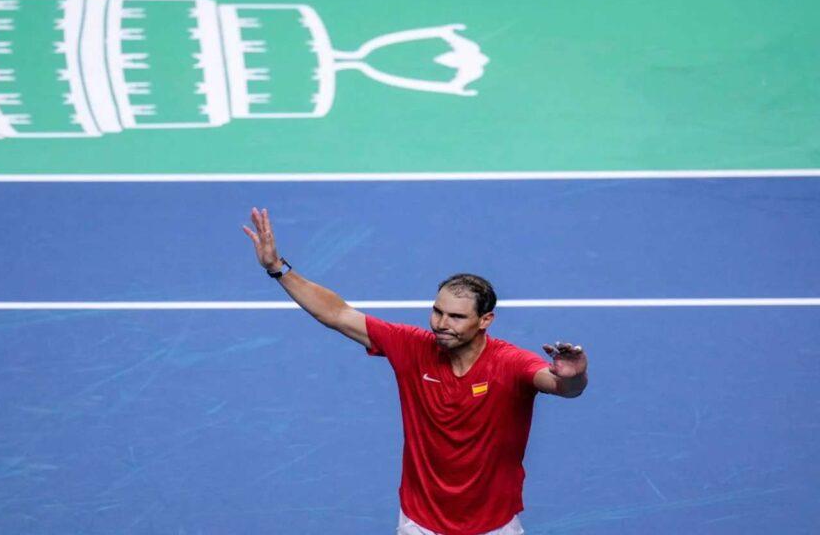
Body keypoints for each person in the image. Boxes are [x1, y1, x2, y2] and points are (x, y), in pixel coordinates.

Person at [242, 207, 589, 535]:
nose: (441, 324)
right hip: (419, 522)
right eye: (438, 312)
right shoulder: (410, 346)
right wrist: (278, 269)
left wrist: (573, 376)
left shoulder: (510, 362)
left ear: (486, 321)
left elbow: (561, 386)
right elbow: (338, 314)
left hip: (493, 524)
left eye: (456, 317)